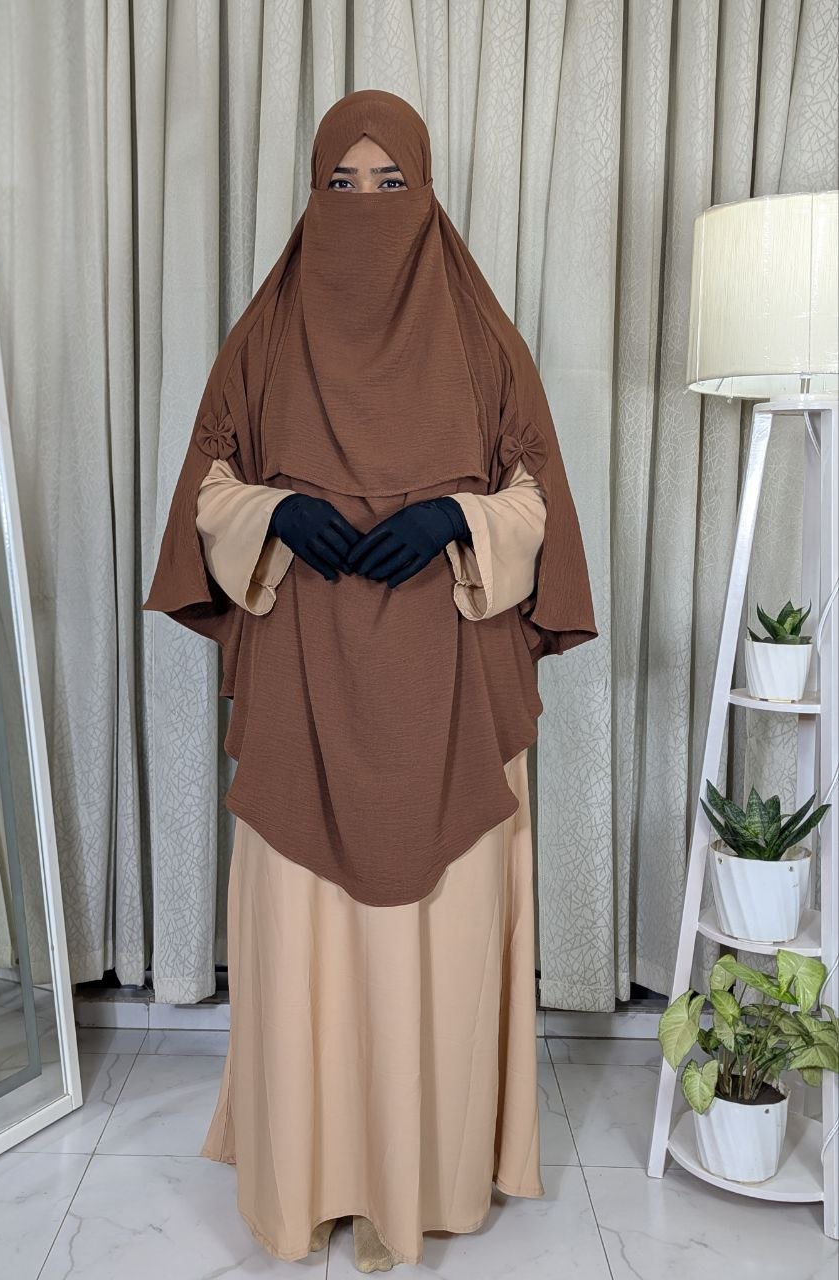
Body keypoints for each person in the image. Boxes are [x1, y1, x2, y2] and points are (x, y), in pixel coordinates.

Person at [143, 88, 597, 1271]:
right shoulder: (263, 336)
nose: (365, 206)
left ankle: (424, 1180)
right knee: (309, 949)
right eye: (339, 186)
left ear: (427, 192)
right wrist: (272, 509)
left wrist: (457, 517)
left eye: (390, 184)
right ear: (311, 195)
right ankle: (312, 1176)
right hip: (302, 689)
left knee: (436, 948)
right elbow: (207, 489)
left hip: (448, 687)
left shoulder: (483, 339)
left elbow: (537, 499)